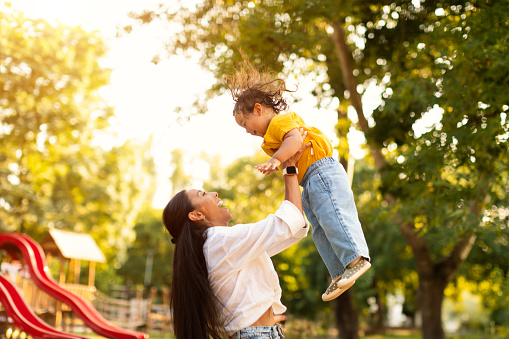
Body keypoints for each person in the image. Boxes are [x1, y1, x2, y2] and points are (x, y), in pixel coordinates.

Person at [226, 56, 371, 302]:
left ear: (258, 109)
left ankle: (356, 258)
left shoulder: (282, 121)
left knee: (334, 215)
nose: (248, 131)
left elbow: (296, 141)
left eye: (246, 124)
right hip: (308, 182)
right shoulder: (268, 141)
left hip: (322, 171)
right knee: (319, 228)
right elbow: (290, 162)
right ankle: (339, 272)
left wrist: (276, 160)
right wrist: (281, 162)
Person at [162, 134, 311, 339]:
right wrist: (289, 168)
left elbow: (291, 228)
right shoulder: (218, 241)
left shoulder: (218, 247)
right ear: (196, 215)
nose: (214, 193)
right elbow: (287, 222)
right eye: (203, 194)